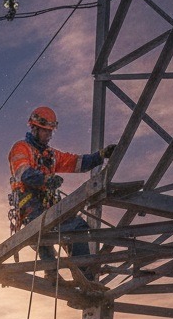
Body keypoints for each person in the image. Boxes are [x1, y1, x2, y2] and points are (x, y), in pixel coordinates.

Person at [8, 105, 115, 273]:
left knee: (76, 228)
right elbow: (24, 173)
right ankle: (59, 274)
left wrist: (100, 156)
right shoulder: (21, 148)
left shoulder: (50, 155)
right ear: (34, 128)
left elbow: (75, 162)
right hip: (30, 206)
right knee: (51, 236)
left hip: (47, 205)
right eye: (45, 131)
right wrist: (46, 179)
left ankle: (81, 273)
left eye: (51, 131)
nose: (49, 135)